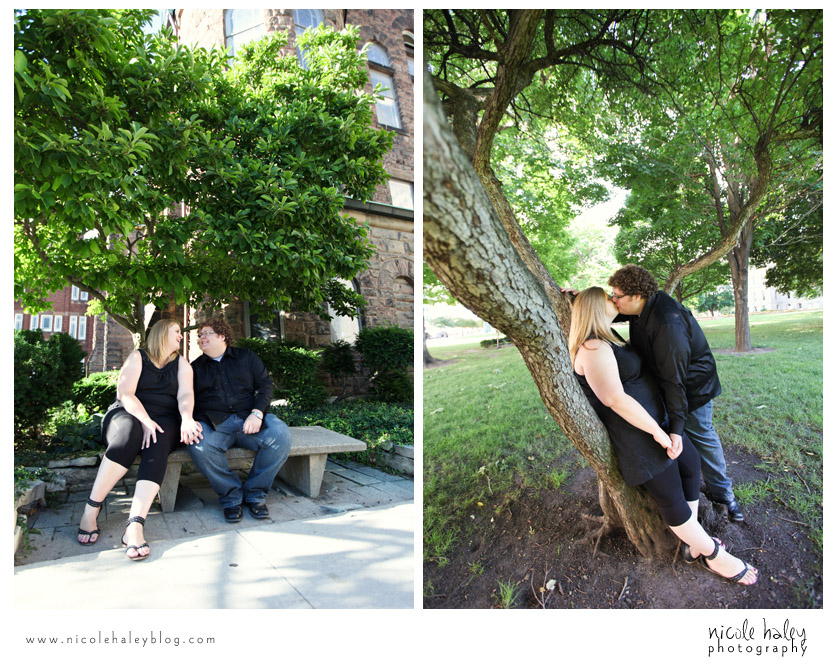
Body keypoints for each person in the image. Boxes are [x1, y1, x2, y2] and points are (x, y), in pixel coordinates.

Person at [569, 287, 757, 585]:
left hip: (658, 420)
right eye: (608, 297)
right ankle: (714, 555)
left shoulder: (607, 338)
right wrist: (657, 433)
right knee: (671, 496)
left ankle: (693, 542)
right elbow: (614, 399)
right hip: (637, 434)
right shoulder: (592, 349)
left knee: (691, 464)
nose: (614, 299)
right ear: (595, 307)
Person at [606, 264, 744, 523]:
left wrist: (676, 428)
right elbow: (611, 313)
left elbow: (675, 381)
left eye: (616, 296)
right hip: (668, 383)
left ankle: (723, 493)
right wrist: (581, 299)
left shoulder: (668, 322)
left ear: (636, 296)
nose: (612, 300)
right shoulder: (640, 308)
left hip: (692, 388)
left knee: (701, 435)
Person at [77, 318, 202, 560]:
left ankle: (135, 524)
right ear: (162, 333)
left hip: (164, 418)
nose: (181, 336)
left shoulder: (182, 364)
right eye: (176, 331)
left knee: (160, 440)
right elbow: (125, 393)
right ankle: (90, 510)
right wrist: (144, 420)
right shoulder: (138, 357)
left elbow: (186, 395)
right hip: (127, 413)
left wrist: (187, 418)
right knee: (128, 435)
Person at [187, 317, 292, 522]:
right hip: (215, 424)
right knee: (199, 445)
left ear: (222, 336)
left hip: (249, 419)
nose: (201, 337)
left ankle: (255, 494)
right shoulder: (195, 368)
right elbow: (186, 398)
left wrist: (257, 413)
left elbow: (265, 386)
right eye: (200, 335)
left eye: (206, 333)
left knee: (280, 435)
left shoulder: (247, 357)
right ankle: (231, 497)